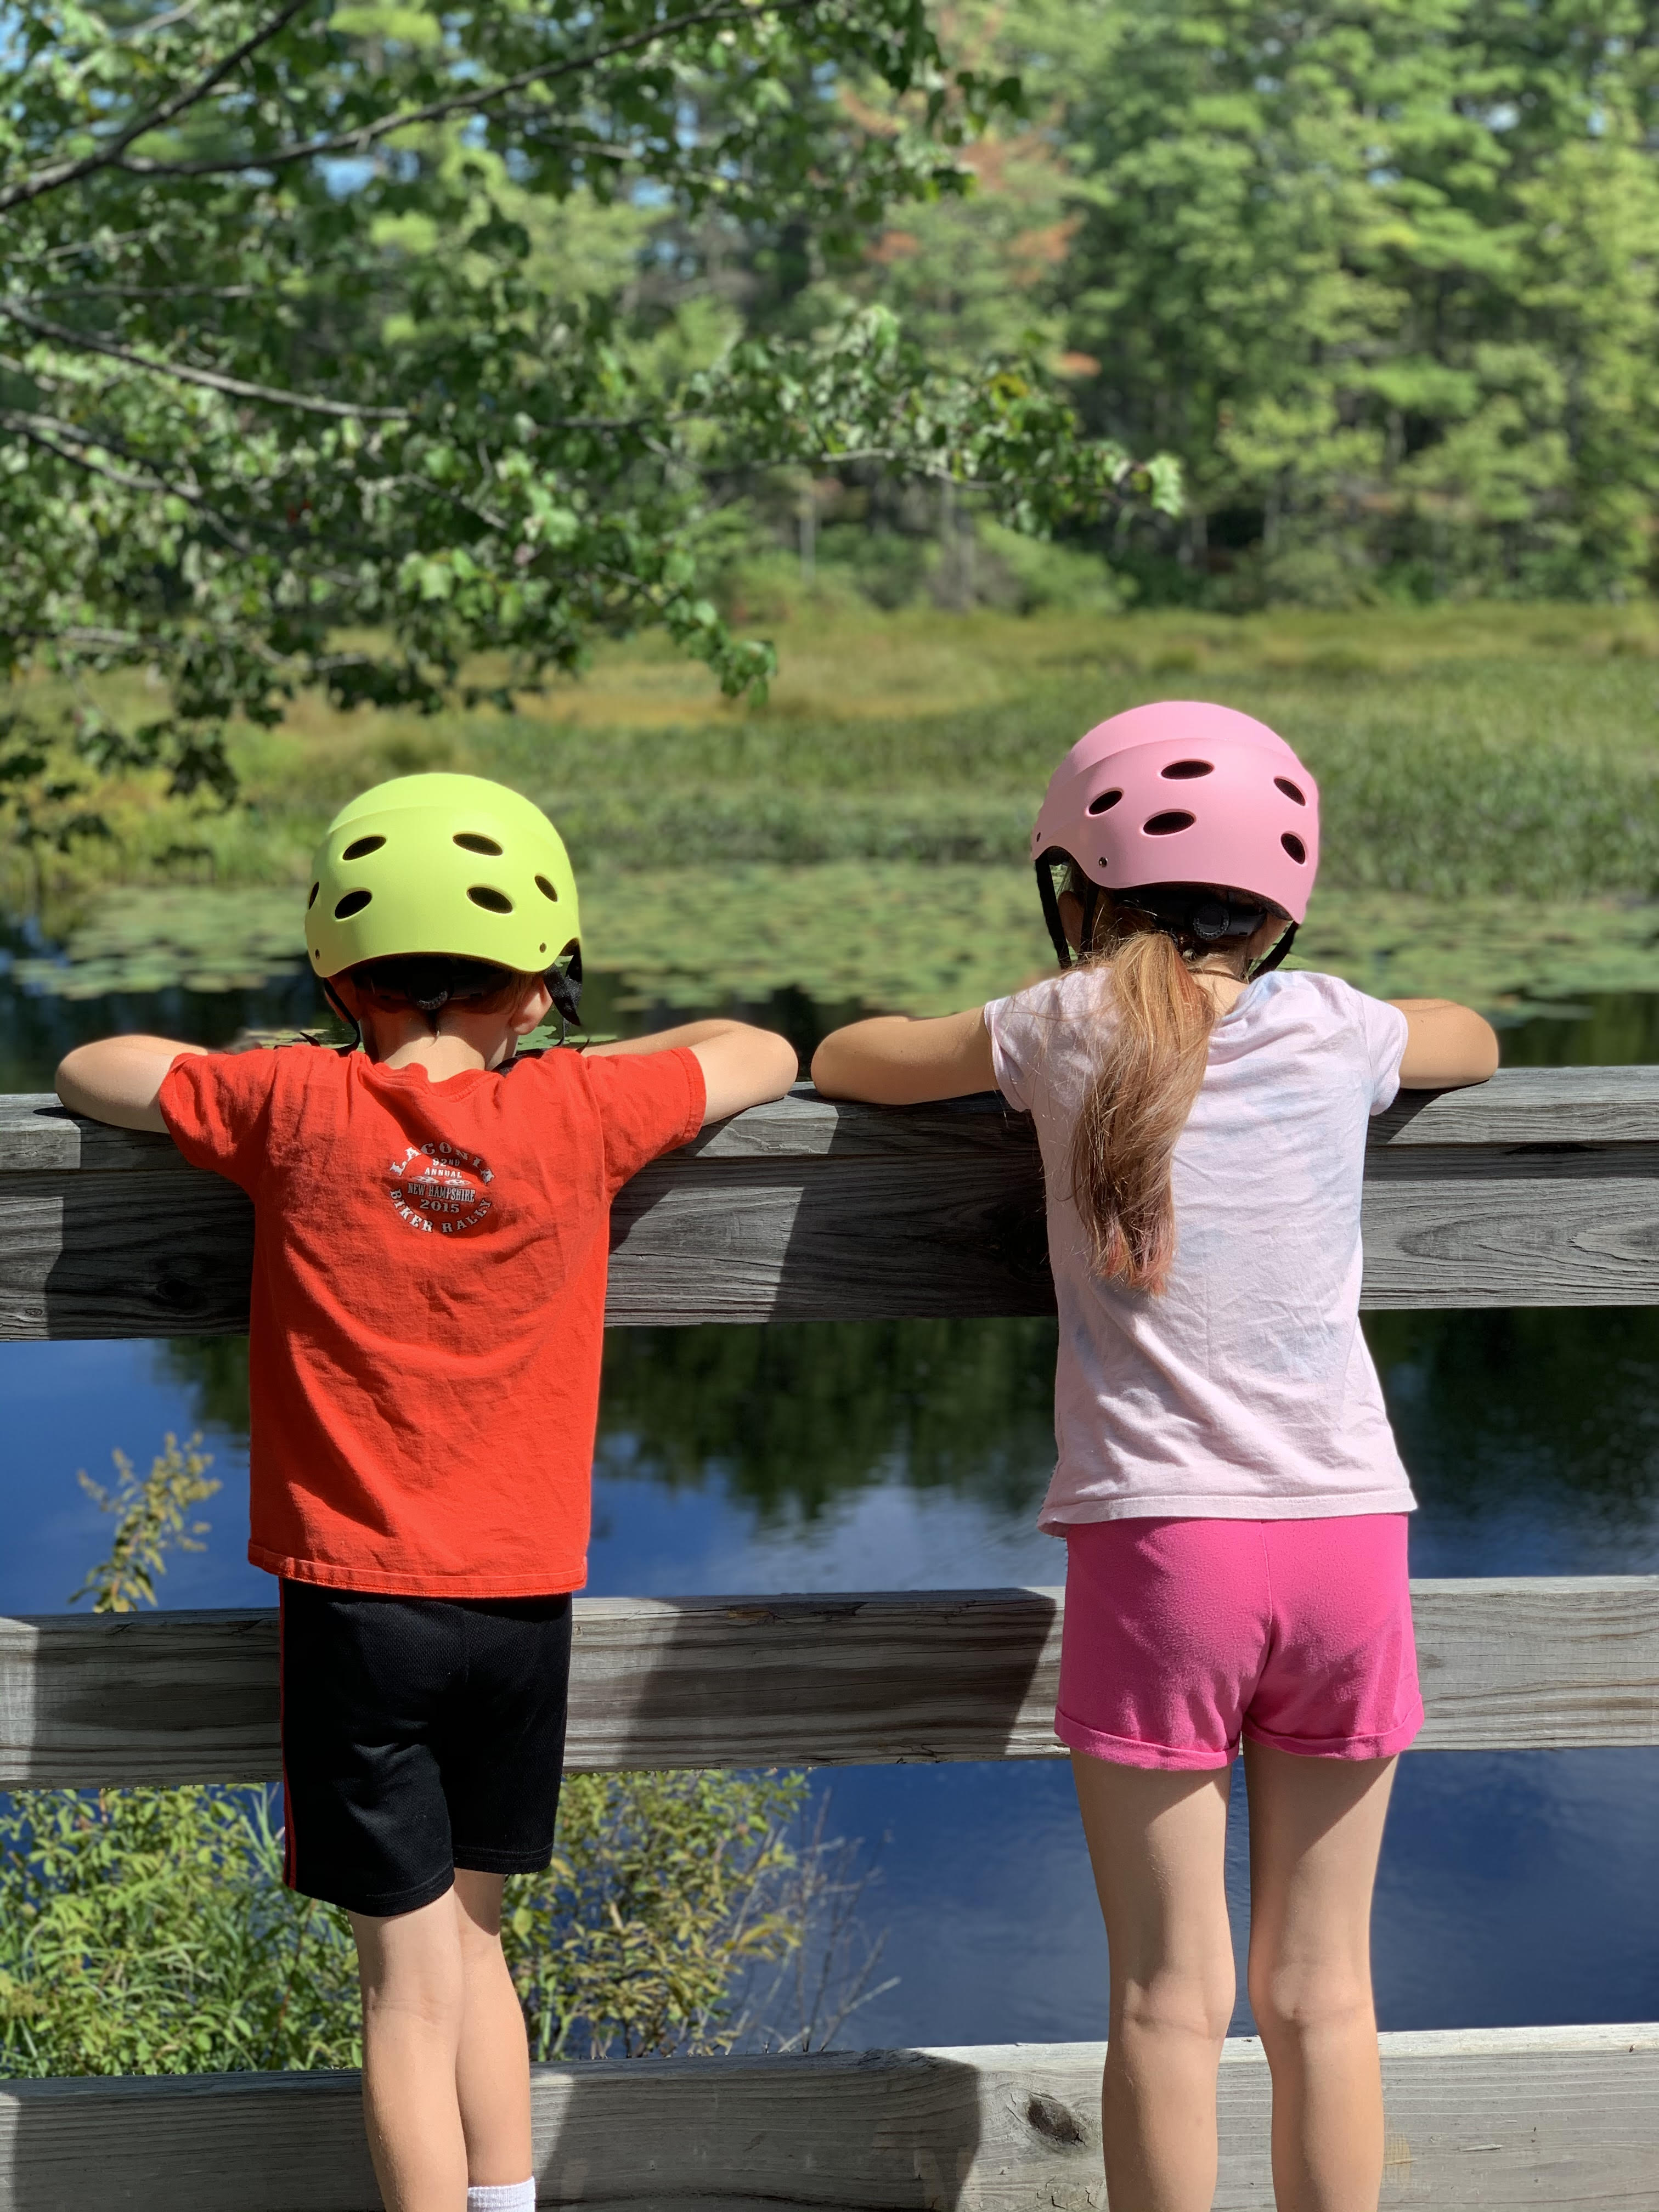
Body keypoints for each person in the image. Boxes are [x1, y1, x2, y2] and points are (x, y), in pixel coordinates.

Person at [56, 772, 798, 2212]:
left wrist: (291, 1050)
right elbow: (760, 1048)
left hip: (354, 1612)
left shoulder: (286, 1101)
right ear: (541, 986)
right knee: (477, 1945)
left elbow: (100, 1064)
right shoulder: (591, 1109)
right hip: (519, 1608)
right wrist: (581, 1049)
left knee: (400, 1992)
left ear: (339, 973)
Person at [811, 703, 1497, 2212]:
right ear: (1285, 898)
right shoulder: (1338, 1025)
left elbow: (852, 1059)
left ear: (1081, 886)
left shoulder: (1059, 1028)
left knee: (1168, 2003)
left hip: (1164, 1555)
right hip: (1345, 1545)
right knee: (1327, 1996)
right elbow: (1477, 1037)